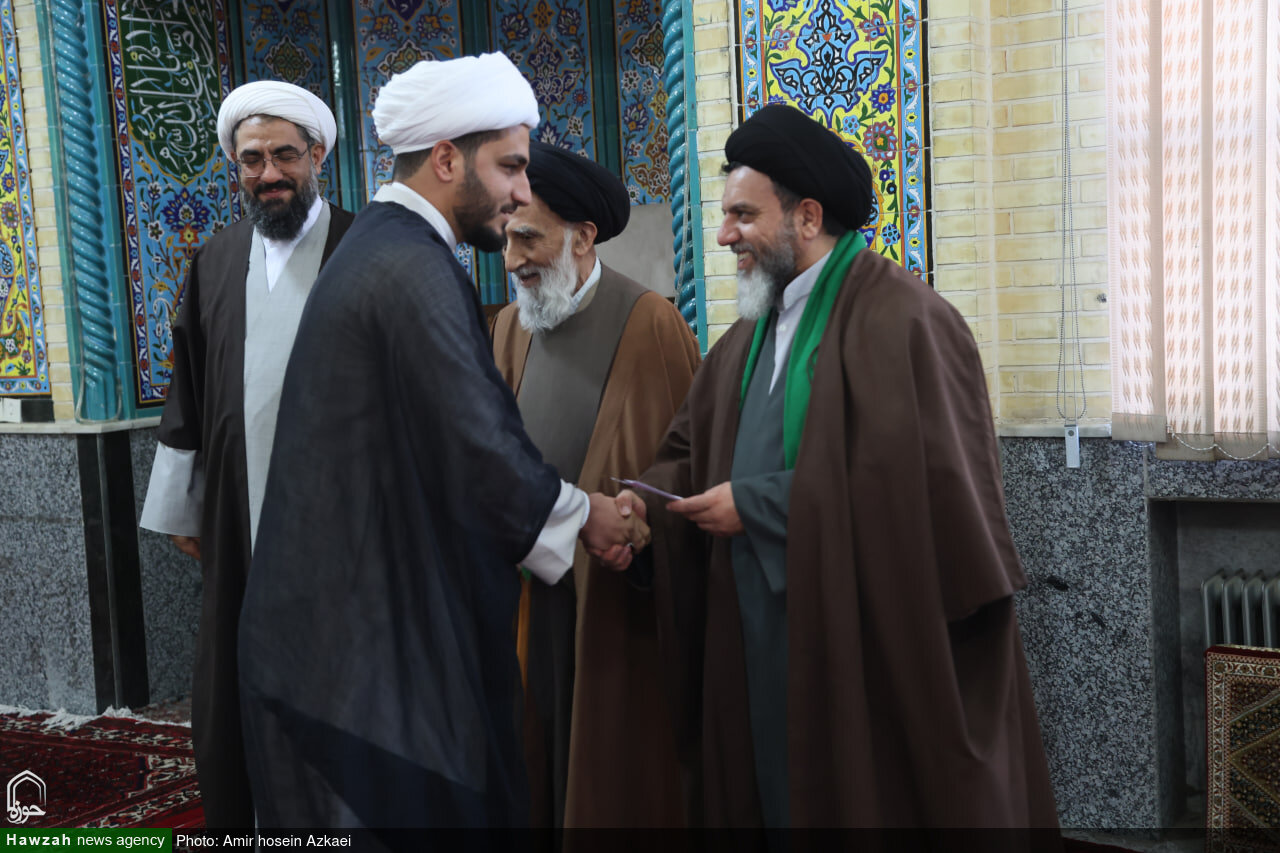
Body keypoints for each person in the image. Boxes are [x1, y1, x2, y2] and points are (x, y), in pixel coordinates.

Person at [613, 104, 1060, 831]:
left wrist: (761, 505)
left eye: (742, 215)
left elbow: (929, 497)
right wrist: (646, 508)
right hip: (758, 633)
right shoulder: (744, 340)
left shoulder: (906, 321)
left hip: (862, 646)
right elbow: (689, 453)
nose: (724, 235)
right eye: (725, 217)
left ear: (808, 216)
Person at [236, 54, 646, 829]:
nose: (521, 191)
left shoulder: (386, 248)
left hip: (342, 656)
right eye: (510, 166)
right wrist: (586, 515)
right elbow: (476, 446)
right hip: (362, 677)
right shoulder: (408, 268)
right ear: (448, 158)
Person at [138, 80, 355, 827]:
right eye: (251, 160)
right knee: (241, 672)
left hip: (345, 516)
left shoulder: (366, 249)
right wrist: (183, 505)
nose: (269, 174)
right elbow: (189, 386)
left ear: (317, 155)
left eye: (284, 155)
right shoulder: (216, 258)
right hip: (238, 508)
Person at [491, 140, 699, 828]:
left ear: (582, 237)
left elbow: (686, 463)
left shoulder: (649, 322)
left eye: (528, 238)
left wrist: (638, 525)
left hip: (612, 607)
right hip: (527, 599)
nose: (512, 259)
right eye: (506, 238)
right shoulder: (510, 328)